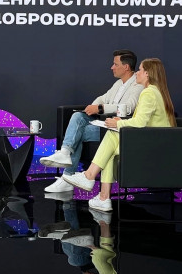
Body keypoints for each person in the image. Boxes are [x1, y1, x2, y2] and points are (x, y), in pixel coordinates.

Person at [63, 58, 176, 212]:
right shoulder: (155, 91)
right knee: (110, 146)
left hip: (152, 145)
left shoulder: (149, 93)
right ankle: (102, 197)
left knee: (112, 134)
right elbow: (142, 121)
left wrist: (118, 124)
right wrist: (120, 122)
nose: (137, 73)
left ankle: (91, 178)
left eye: (140, 70)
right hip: (154, 141)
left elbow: (140, 122)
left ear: (147, 74)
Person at [40, 50, 144, 194]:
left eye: (115, 64)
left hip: (116, 128)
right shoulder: (118, 83)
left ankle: (67, 176)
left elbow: (128, 107)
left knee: (78, 133)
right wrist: (93, 107)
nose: (112, 67)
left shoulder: (137, 85)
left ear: (126, 67)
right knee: (78, 117)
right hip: (104, 122)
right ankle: (65, 152)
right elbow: (103, 97)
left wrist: (100, 108)